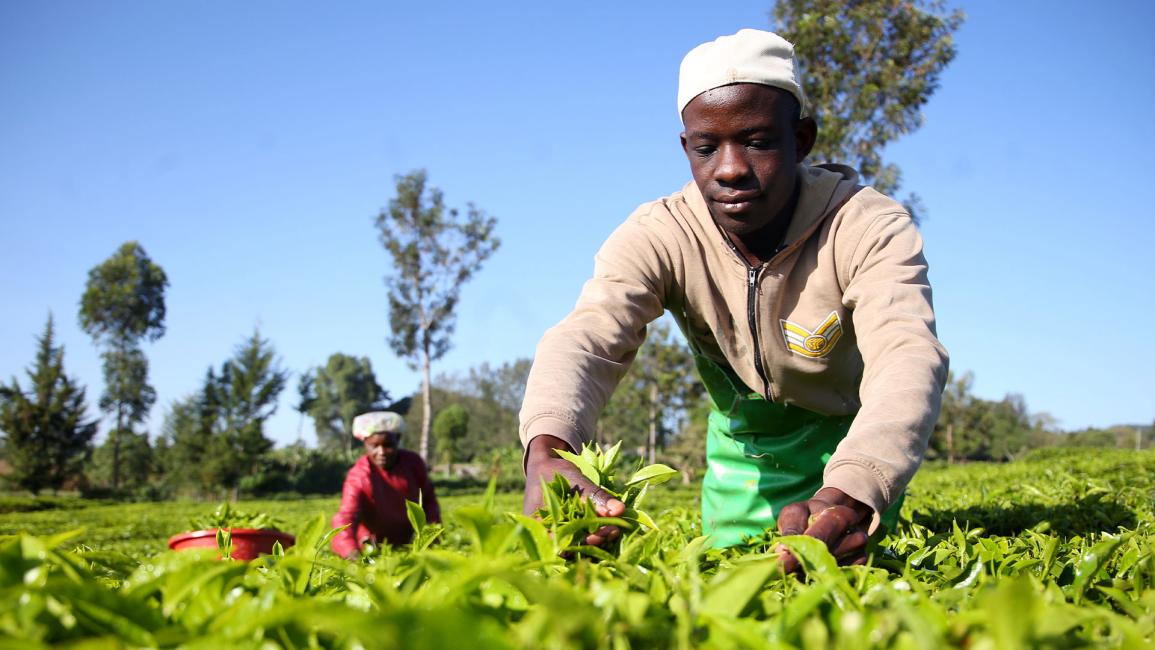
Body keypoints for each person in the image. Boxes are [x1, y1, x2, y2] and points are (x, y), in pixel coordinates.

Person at [518, 29, 948, 567]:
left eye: (759, 141)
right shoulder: (662, 233)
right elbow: (587, 337)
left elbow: (906, 355)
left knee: (847, 575)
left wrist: (855, 489)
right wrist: (546, 448)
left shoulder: (865, 225)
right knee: (733, 572)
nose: (729, 169)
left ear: (803, 139)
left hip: (853, 438)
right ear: (686, 148)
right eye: (706, 147)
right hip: (744, 446)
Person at [331, 411, 441, 558]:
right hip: (372, 548)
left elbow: (428, 500)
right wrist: (351, 553)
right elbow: (346, 517)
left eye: (388, 445)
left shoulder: (413, 464)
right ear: (365, 444)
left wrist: (432, 537)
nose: (381, 452)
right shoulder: (359, 476)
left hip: (410, 543)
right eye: (374, 446)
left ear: (398, 439)